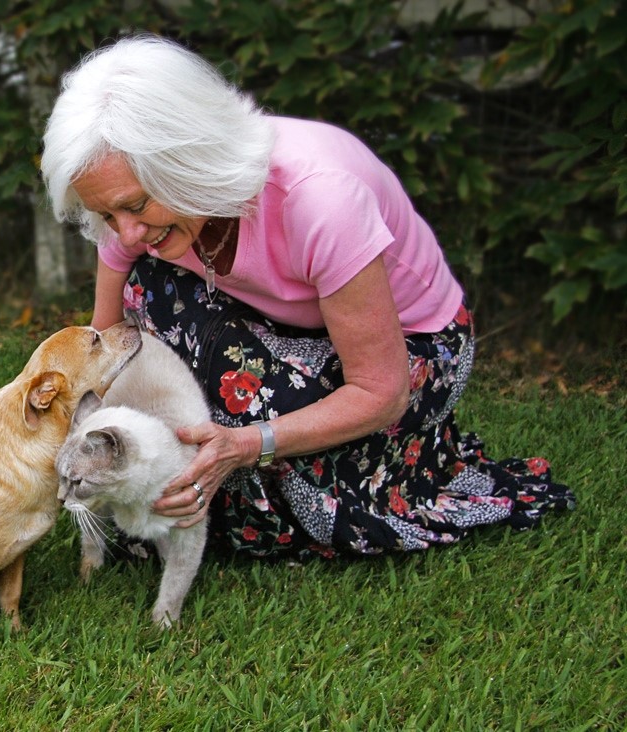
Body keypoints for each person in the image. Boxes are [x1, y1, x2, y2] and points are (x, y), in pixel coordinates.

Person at [40, 35, 574, 560]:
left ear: (189, 162)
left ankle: (350, 466)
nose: (124, 233)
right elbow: (104, 345)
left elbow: (380, 390)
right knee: (149, 304)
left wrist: (246, 443)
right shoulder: (131, 208)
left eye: (135, 206)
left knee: (264, 438)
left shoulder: (321, 197)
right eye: (107, 215)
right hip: (278, 321)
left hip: (409, 349)